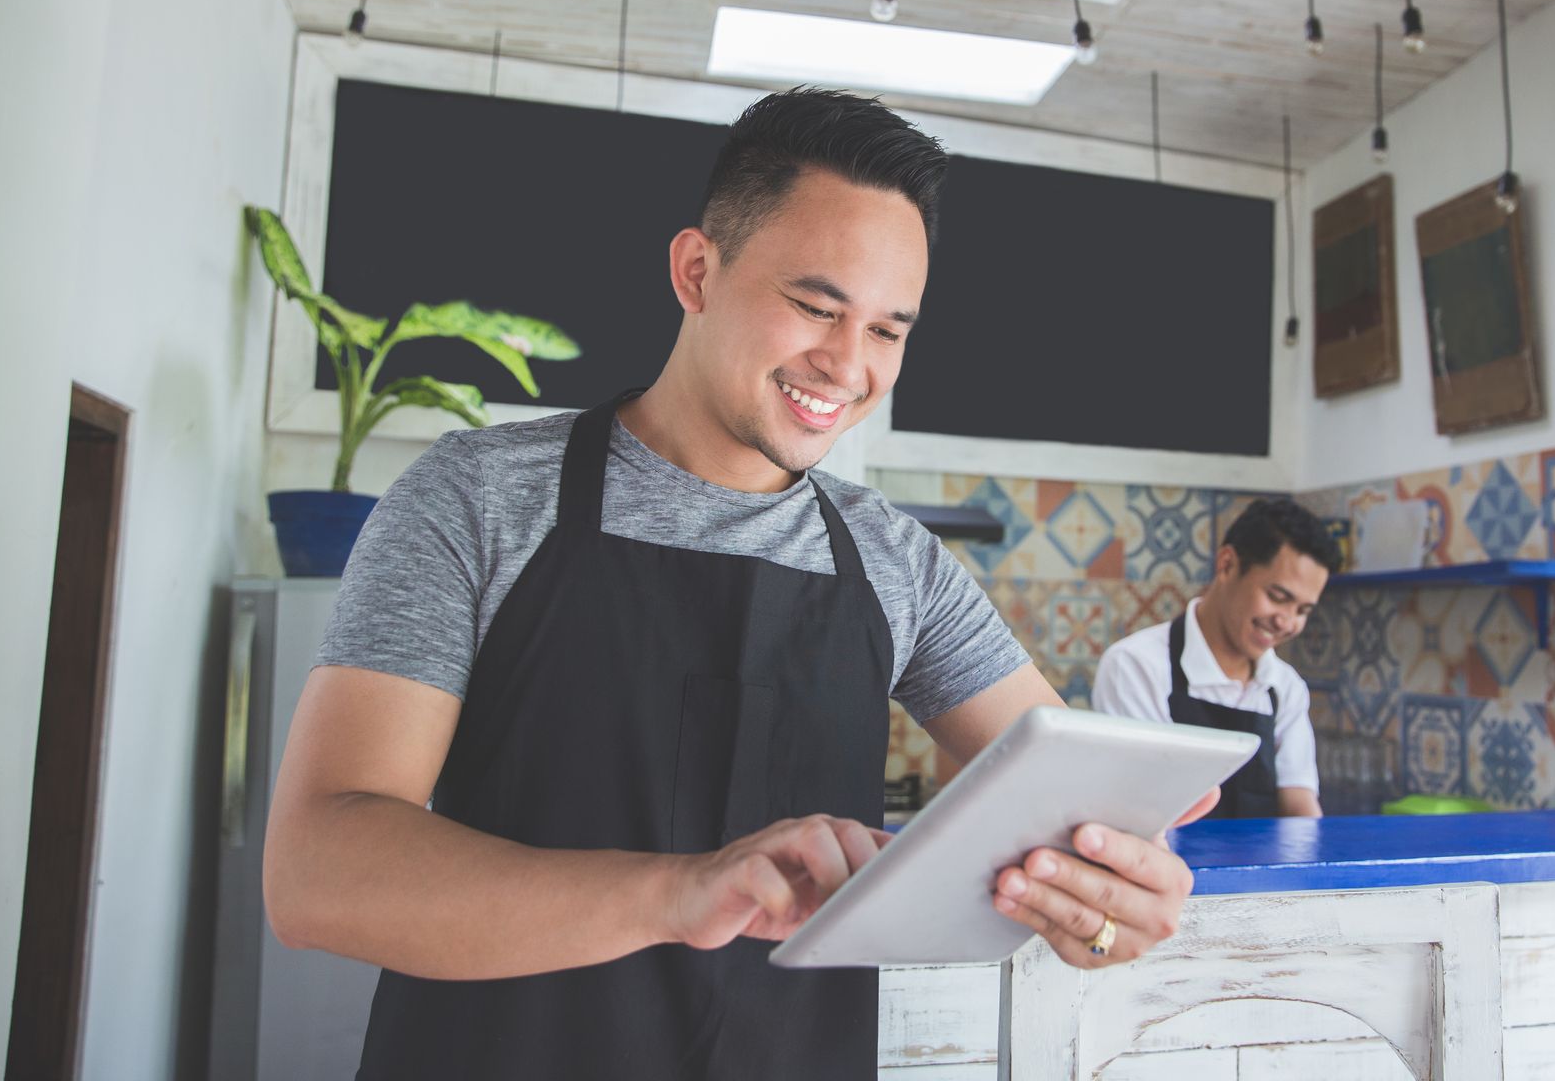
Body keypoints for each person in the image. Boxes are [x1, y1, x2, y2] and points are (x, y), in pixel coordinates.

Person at [261, 88, 1211, 1081]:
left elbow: (1065, 807)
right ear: (696, 271)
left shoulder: (901, 563)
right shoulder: (477, 497)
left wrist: (1103, 892)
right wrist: (678, 891)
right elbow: (318, 873)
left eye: (889, 328)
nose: (847, 365)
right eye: (814, 305)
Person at [1092, 498, 1340, 818]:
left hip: (1264, 867)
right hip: (1165, 863)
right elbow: (1140, 810)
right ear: (1226, 565)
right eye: (1278, 598)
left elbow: (1300, 807)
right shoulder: (1135, 666)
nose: (1287, 622)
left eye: (1303, 611)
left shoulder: (1285, 687)